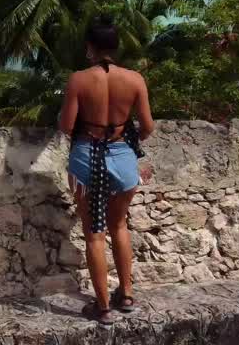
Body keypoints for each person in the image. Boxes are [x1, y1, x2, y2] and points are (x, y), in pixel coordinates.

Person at [58, 17, 155, 326]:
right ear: (115, 46)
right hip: (123, 156)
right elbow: (148, 127)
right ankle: (126, 296)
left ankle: (102, 308)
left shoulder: (78, 79)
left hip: (88, 155)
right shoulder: (135, 79)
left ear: (90, 47)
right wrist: (121, 138)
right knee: (120, 226)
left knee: (94, 235)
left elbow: (66, 126)